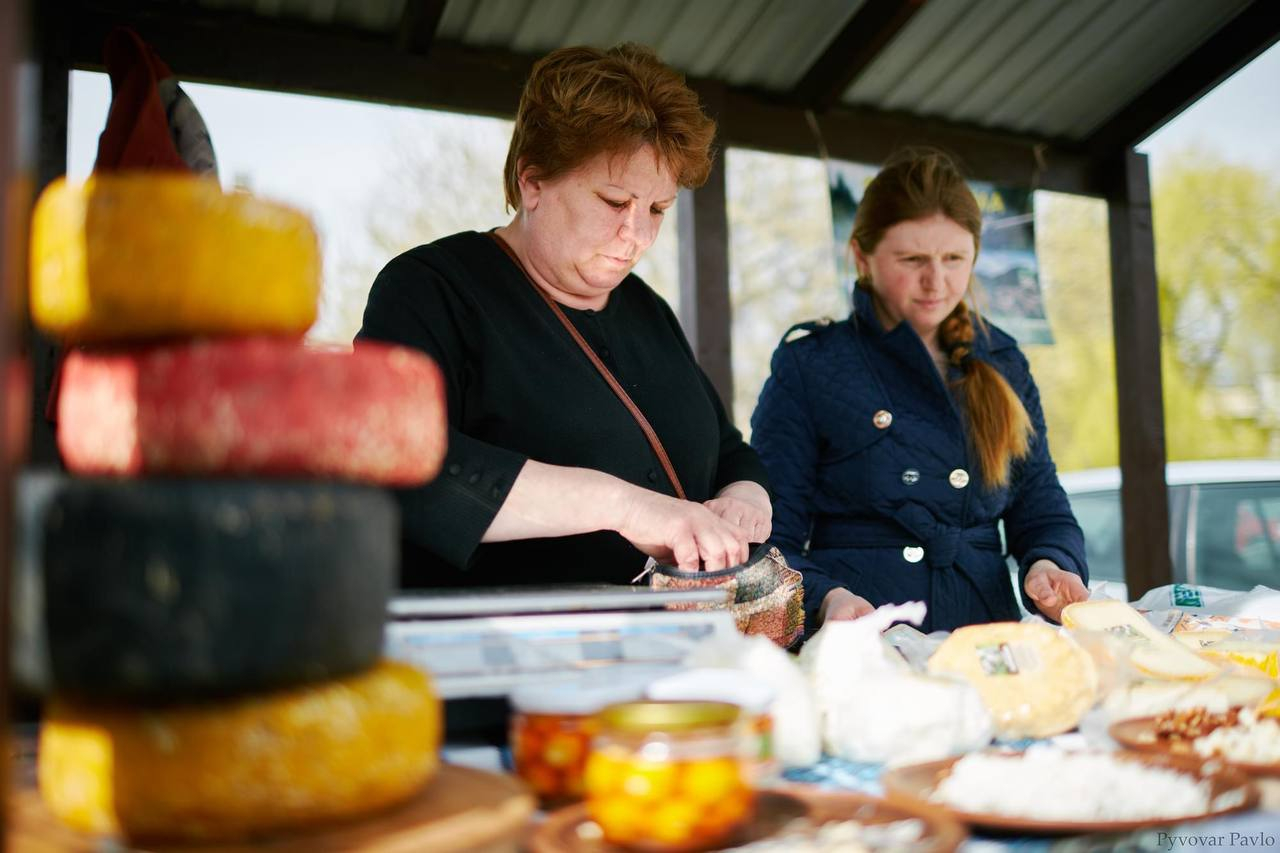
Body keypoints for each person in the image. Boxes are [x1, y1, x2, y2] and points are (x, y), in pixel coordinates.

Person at [356, 44, 771, 589]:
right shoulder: (430, 288)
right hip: (499, 630)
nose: (638, 235)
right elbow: (399, 466)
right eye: (614, 202)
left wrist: (745, 495)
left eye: (657, 210)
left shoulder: (648, 309)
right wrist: (624, 507)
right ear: (533, 182)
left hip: (672, 632)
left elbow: (725, 449)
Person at [750, 149, 1087, 635]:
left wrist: (1049, 564)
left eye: (954, 259)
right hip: (867, 637)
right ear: (862, 257)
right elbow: (765, 540)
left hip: (986, 636)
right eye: (912, 260)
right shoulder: (810, 365)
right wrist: (826, 598)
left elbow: (1041, 504)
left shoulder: (1003, 361)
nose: (936, 281)